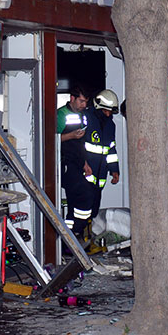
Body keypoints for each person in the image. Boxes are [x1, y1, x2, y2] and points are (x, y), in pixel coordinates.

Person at [57, 86, 93, 237]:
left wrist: (85, 163)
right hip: (65, 163)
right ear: (72, 98)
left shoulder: (82, 115)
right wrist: (71, 135)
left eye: (85, 102)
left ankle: (70, 235)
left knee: (74, 200)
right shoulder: (61, 114)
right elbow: (52, 139)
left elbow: (81, 142)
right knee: (85, 193)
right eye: (81, 101)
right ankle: (76, 229)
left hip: (78, 163)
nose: (84, 105)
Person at [83, 89, 120, 219]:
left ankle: (88, 230)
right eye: (106, 111)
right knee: (82, 208)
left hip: (100, 175)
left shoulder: (111, 126)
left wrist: (114, 170)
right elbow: (77, 145)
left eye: (111, 111)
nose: (108, 114)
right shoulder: (85, 118)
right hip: (85, 173)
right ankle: (77, 234)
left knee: (94, 208)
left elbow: (111, 150)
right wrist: (83, 163)